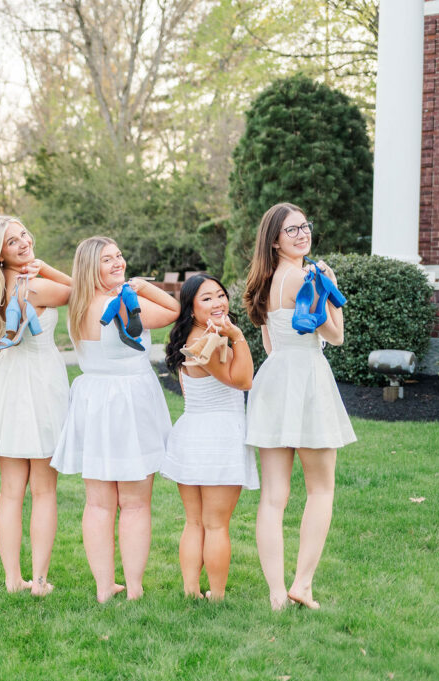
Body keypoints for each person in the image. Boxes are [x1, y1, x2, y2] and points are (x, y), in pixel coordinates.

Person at [51, 236, 179, 603]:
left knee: (98, 503)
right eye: (108, 259)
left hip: (94, 400)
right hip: (128, 399)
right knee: (135, 503)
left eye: (120, 255)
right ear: (92, 267)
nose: (118, 262)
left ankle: (104, 587)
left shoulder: (77, 304)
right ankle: (134, 587)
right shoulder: (123, 302)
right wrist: (142, 286)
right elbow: (172, 310)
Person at [242, 203, 356, 610]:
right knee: (321, 488)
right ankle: (302, 584)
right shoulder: (304, 277)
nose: (301, 234)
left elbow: (270, 344)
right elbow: (335, 334)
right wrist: (332, 284)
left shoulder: (265, 282)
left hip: (274, 380)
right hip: (306, 378)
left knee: (274, 495)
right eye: (291, 231)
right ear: (274, 240)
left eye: (304, 226)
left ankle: (276, 594)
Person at [0, 215, 71, 596]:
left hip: (11, 383)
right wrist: (45, 267)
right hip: (40, 382)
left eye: (24, 234)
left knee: (10, 490)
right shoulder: (34, 287)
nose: (24, 242)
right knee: (44, 490)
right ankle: (39, 581)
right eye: (12, 242)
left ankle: (14, 579)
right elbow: (83, 289)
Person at [162, 273, 258, 601]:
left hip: (191, 432)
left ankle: (191, 591)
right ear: (191, 308)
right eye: (207, 298)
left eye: (220, 295)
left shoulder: (192, 336)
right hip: (217, 437)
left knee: (195, 522)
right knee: (215, 525)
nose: (218, 302)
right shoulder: (210, 341)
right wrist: (239, 337)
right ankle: (215, 596)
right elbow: (243, 380)